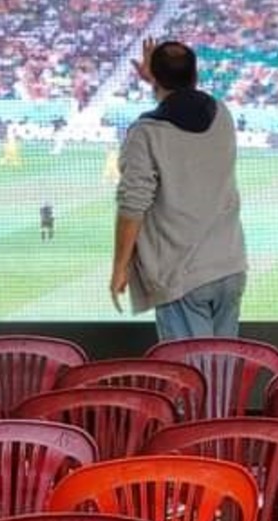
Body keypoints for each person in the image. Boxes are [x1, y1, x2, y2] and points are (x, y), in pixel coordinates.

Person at [110, 39, 246, 340]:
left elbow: (133, 204)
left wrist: (120, 267)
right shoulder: (222, 113)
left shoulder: (146, 132)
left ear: (155, 78)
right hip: (229, 266)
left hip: (181, 274)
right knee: (220, 376)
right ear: (195, 76)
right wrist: (158, 80)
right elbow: (186, 103)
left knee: (192, 381)